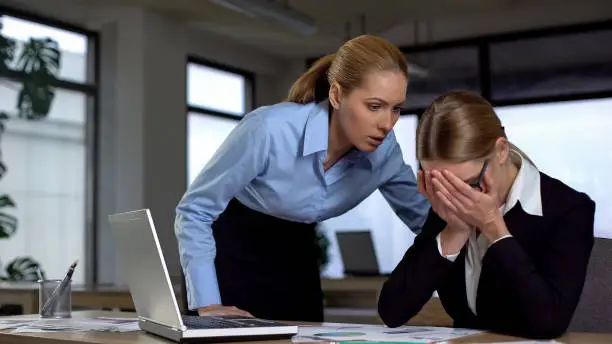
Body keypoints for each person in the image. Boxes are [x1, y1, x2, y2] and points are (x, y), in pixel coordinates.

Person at [174, 34, 430, 322]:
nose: (386, 124)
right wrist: (207, 303)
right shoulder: (269, 129)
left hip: (297, 252)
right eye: (374, 106)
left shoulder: (386, 153)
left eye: (396, 108)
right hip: (233, 248)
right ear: (336, 96)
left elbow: (429, 222)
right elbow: (194, 211)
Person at [377, 90, 595, 339]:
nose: (456, 197)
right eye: (440, 183)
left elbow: (549, 322)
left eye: (468, 183)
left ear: (500, 152)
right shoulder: (447, 203)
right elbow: (392, 311)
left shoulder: (567, 209)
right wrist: (454, 232)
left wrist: (494, 228)